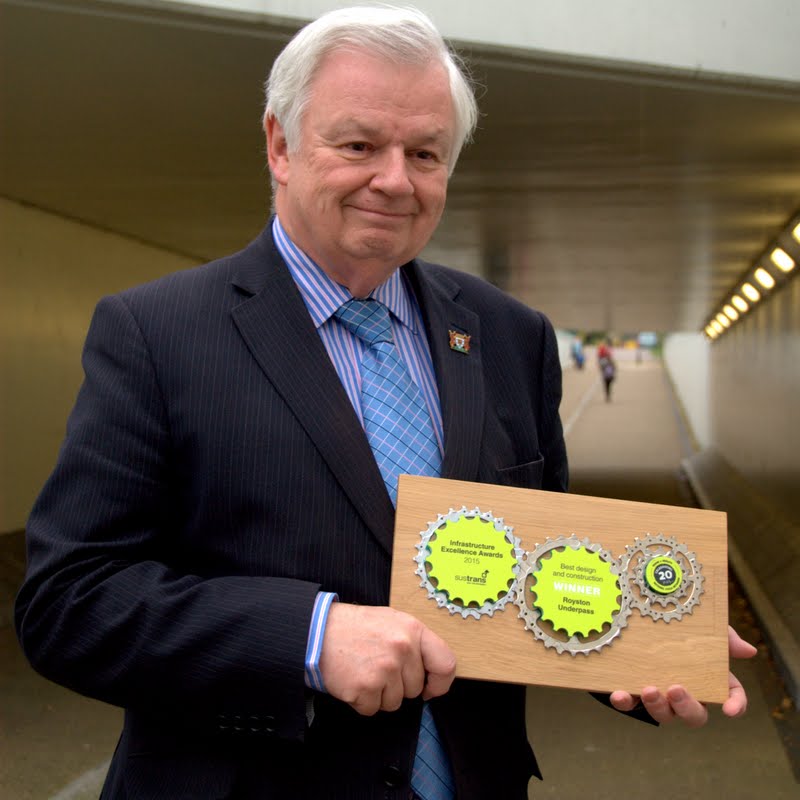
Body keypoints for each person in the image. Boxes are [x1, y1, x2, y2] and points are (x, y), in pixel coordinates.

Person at [14, 6, 754, 800]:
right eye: (359, 145)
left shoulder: (511, 336)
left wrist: (637, 641)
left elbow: (542, 571)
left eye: (424, 153)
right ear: (280, 146)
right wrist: (309, 637)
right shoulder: (156, 333)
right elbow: (69, 601)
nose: (395, 180)